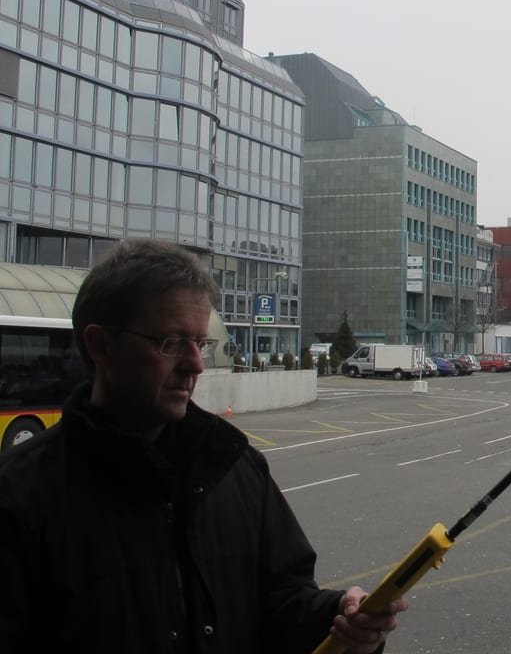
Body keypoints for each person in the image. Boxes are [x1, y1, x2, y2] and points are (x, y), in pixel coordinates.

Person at [0, 238, 407, 653]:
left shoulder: (236, 467)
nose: (195, 364)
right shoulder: (20, 494)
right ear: (101, 345)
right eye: (172, 343)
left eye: (201, 343)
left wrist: (339, 617)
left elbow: (282, 602)